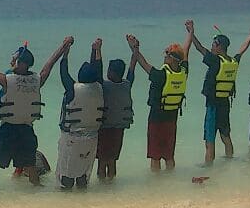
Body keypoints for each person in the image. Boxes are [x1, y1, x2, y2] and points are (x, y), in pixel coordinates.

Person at [0, 39, 68, 189]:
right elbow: (51, 62)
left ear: (21, 63)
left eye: (15, 59)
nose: (12, 61)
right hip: (26, 131)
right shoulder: (38, 80)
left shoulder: (7, 81)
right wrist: (64, 46)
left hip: (7, 131)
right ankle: (41, 201)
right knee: (32, 176)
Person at [186, 21, 250, 165]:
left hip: (213, 106)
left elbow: (199, 48)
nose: (211, 47)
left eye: (213, 44)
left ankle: (208, 167)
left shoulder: (215, 61)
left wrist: (191, 32)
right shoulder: (233, 62)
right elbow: (242, 49)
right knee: (226, 136)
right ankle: (229, 162)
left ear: (218, 46)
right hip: (225, 104)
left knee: (210, 140)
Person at [127, 29, 192, 171]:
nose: (164, 56)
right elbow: (186, 50)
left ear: (172, 58)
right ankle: (170, 182)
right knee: (169, 156)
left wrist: (134, 48)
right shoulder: (184, 72)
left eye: (166, 54)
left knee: (155, 156)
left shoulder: (160, 75)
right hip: (172, 118)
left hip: (157, 118)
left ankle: (156, 187)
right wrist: (190, 33)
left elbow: (142, 63)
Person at [56, 37, 106, 190]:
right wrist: (97, 50)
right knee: (83, 176)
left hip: (72, 138)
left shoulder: (72, 89)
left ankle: (67, 206)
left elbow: (63, 72)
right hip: (92, 138)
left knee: (66, 177)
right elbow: (98, 69)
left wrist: (65, 54)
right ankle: (82, 206)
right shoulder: (99, 87)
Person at [96, 46, 136, 182]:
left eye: (109, 71)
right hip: (119, 129)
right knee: (112, 160)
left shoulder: (104, 86)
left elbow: (97, 68)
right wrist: (134, 50)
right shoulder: (127, 85)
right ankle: (111, 186)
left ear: (112, 72)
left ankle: (102, 186)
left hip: (105, 129)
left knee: (102, 160)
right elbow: (132, 70)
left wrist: (98, 50)